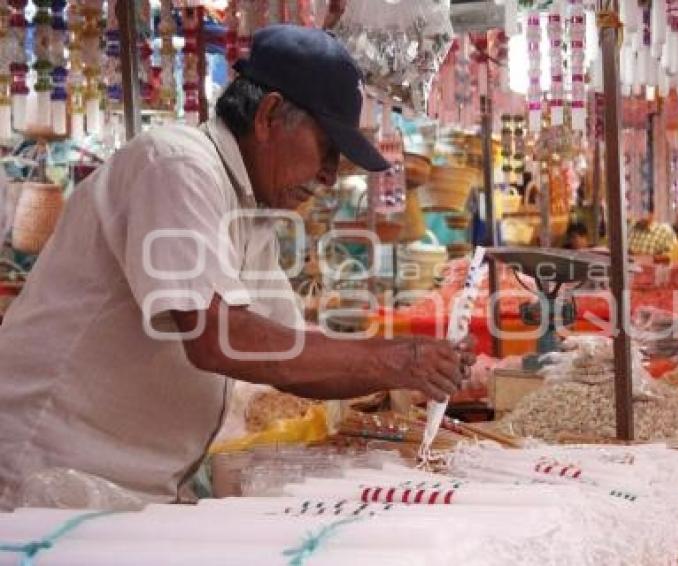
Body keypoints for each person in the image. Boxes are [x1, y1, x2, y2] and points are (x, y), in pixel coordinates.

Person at [0, 26, 473, 510]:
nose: (331, 176)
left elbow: (293, 362)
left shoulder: (252, 212)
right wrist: (393, 357)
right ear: (269, 115)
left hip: (124, 485)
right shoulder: (177, 165)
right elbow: (219, 337)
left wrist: (410, 367)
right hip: (46, 472)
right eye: (327, 149)